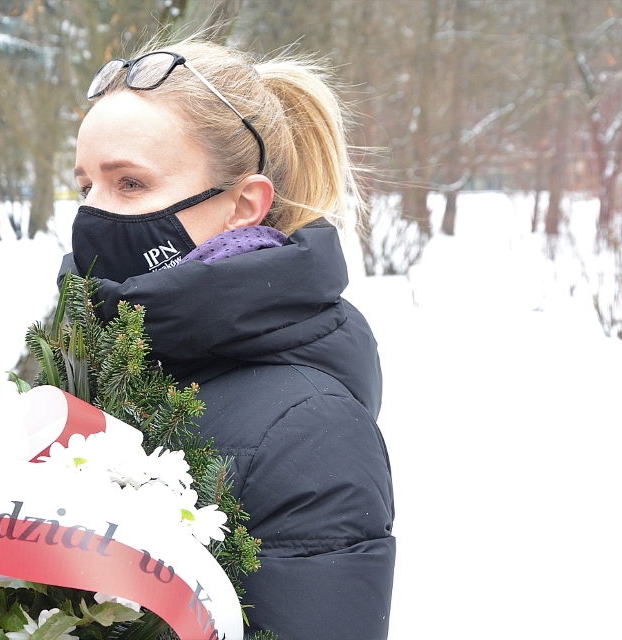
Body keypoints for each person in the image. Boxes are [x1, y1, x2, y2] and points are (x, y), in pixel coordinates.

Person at [60, 37, 395, 639]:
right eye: (86, 186)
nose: (93, 214)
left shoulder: (313, 430)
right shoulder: (79, 348)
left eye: (130, 184)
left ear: (244, 205)